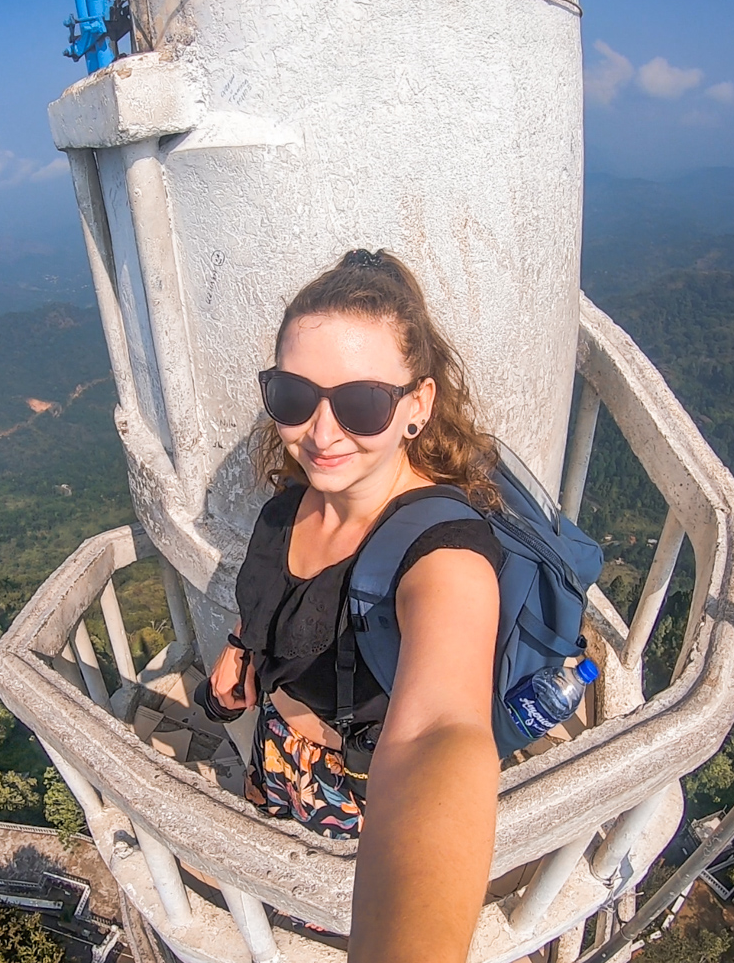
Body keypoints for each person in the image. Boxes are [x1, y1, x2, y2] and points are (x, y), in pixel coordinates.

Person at [195, 248, 503, 962]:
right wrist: (243, 647)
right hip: (279, 752)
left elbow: (440, 734)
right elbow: (273, 596)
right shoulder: (287, 508)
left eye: (361, 402)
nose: (322, 433)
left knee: (326, 920)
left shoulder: (444, 554)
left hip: (357, 793)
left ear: (416, 407)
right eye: (295, 398)